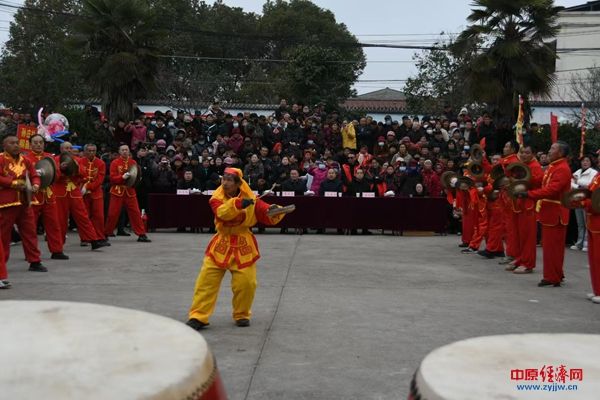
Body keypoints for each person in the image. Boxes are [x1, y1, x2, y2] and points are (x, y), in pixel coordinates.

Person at [186, 167, 289, 329]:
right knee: (206, 282)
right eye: (224, 179)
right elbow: (222, 213)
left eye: (229, 180)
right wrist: (238, 203)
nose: (225, 183)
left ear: (238, 183)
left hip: (243, 244)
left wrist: (273, 210)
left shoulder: (251, 198)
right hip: (221, 244)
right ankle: (198, 316)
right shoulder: (216, 198)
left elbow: (263, 212)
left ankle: (242, 314)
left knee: (247, 284)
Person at [517, 141, 572, 287]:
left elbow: (552, 190)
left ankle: (552, 277)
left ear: (560, 153)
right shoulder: (554, 166)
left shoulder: (562, 168)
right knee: (550, 247)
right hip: (549, 211)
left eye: (553, 149)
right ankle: (555, 274)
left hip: (555, 212)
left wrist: (529, 194)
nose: (549, 151)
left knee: (552, 247)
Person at [0, 134, 47, 272]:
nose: (16, 145)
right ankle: (2, 265)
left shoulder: (25, 160)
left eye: (17, 143)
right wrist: (13, 183)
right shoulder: (1, 159)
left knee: (30, 232)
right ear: (4, 146)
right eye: (12, 143)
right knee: (4, 235)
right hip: (7, 203)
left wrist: (36, 185)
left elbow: (34, 175)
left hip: (25, 201)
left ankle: (34, 261)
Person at [53, 142, 108, 251]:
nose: (68, 150)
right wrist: (61, 169)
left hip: (74, 191)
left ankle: (93, 240)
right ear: (61, 149)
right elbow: (53, 176)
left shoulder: (78, 160)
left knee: (83, 216)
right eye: (66, 148)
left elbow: (83, 174)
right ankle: (59, 245)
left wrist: (76, 169)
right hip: (60, 192)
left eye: (70, 148)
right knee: (61, 219)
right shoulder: (55, 160)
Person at [24, 134, 69, 260]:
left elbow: (57, 175)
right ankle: (31, 254)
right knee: (30, 227)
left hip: (49, 195)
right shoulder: (25, 158)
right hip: (33, 196)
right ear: (30, 144)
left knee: (53, 223)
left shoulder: (50, 157)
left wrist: (51, 173)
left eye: (41, 142)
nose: (38, 145)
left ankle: (57, 250)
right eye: (35, 142)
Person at [506, 145, 544, 274]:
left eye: (527, 153)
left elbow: (537, 183)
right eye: (522, 152)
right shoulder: (520, 164)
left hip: (529, 204)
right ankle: (519, 259)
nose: (523, 155)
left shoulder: (535, 167)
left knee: (528, 236)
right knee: (518, 235)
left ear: (533, 154)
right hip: (518, 203)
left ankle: (528, 263)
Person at [104, 144, 151, 243]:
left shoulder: (133, 162)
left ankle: (141, 234)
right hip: (117, 191)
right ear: (119, 152)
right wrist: (122, 177)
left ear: (129, 151)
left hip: (130, 191)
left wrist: (138, 178)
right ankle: (106, 234)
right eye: (123, 150)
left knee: (136, 213)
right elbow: (112, 178)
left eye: (126, 150)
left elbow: (136, 176)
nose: (125, 151)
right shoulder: (115, 163)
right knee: (112, 214)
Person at [79, 143, 107, 244]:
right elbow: (78, 176)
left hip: (96, 193)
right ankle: (84, 238)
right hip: (82, 193)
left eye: (93, 151)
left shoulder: (101, 163)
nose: (91, 153)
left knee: (99, 216)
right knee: (84, 216)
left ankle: (99, 237)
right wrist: (82, 186)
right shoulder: (80, 162)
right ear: (85, 151)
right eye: (89, 151)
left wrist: (88, 186)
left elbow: (100, 179)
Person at [570, 156, 597, 251]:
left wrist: (578, 184)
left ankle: (587, 244)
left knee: (587, 223)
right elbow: (570, 183)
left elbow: (589, 185)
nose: (585, 162)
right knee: (580, 223)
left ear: (591, 162)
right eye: (583, 161)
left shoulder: (593, 172)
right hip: (578, 199)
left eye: (587, 161)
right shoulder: (577, 172)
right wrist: (579, 186)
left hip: (587, 200)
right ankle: (579, 243)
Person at [581, 169, 600, 303]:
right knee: (594, 258)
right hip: (592, 221)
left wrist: (584, 202)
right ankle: (597, 289)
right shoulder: (598, 176)